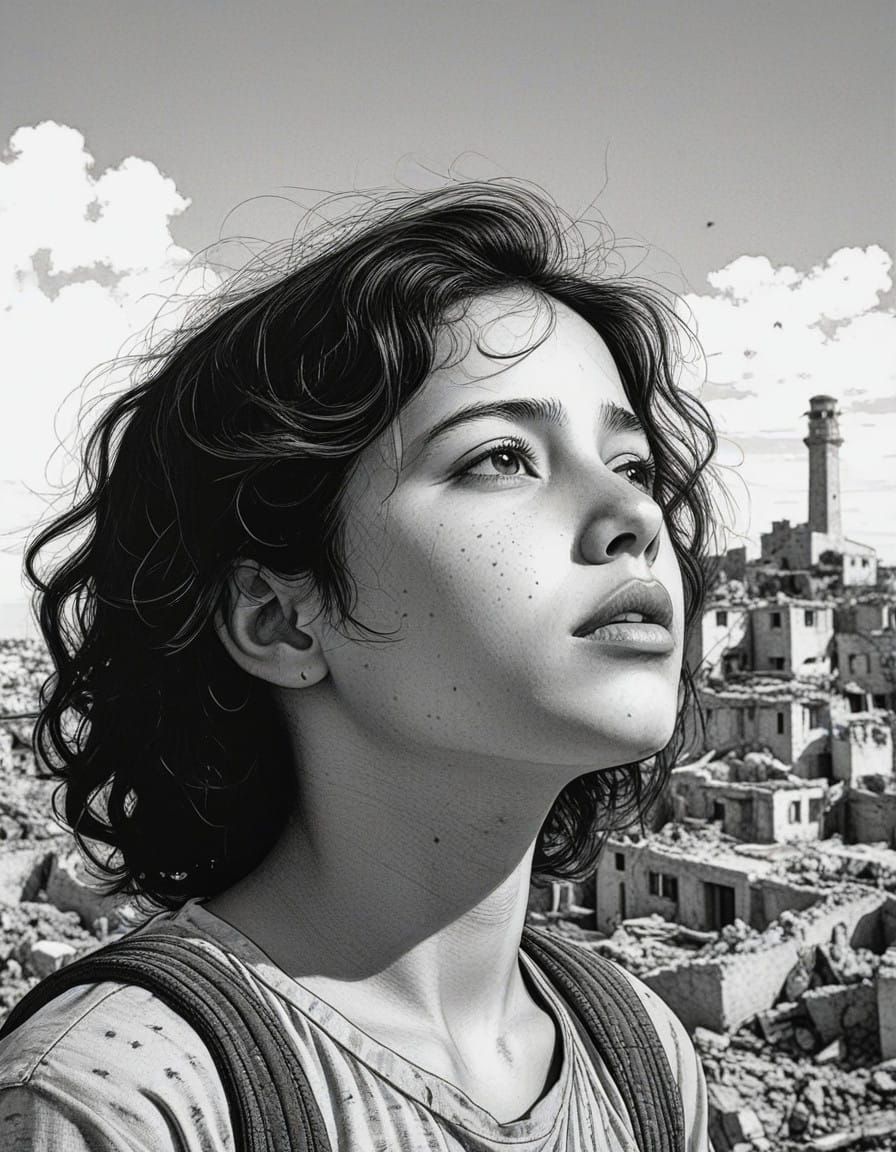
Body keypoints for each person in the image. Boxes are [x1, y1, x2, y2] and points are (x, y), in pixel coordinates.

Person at [0, 181, 718, 1150]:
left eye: (632, 466)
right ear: (280, 619)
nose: (632, 517)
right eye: (500, 457)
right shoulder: (123, 1103)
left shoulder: (638, 1056)